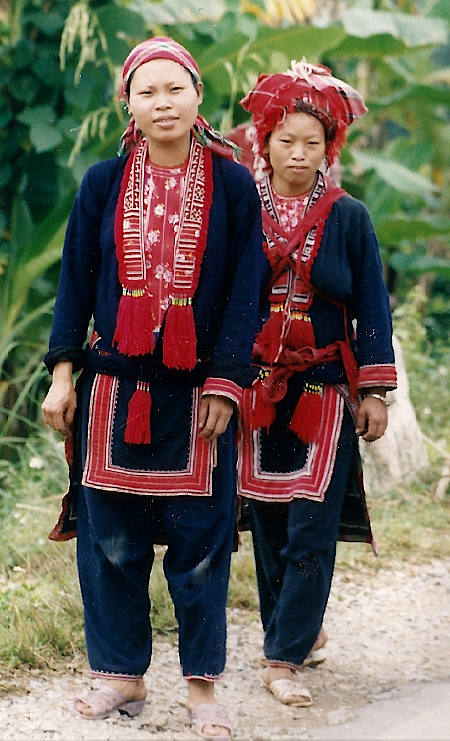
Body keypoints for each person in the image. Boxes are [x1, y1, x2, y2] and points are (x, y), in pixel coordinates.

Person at [41, 36, 264, 740]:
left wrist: (228, 381)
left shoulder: (232, 186)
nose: (162, 103)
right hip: (114, 388)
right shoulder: (102, 184)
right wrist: (61, 373)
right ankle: (120, 676)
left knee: (200, 543)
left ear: (199, 96)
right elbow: (75, 280)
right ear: (128, 105)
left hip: (200, 394)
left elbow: (244, 292)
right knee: (109, 539)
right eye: (147, 92)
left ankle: (202, 687)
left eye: (175, 88)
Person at [225, 61, 397, 707]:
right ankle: (291, 634)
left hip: (324, 388)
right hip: (257, 390)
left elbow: (372, 306)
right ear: (263, 142)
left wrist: (375, 390)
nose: (298, 154)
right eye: (285, 140)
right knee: (268, 520)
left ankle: (281, 656)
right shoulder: (242, 210)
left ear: (330, 149)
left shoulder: (348, 216)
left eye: (312, 143)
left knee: (310, 525)